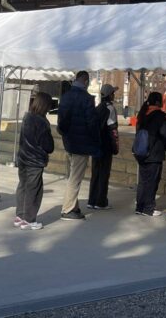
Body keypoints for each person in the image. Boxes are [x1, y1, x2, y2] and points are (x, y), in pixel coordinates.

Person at [57, 70, 99, 221]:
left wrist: (64, 134)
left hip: (68, 142)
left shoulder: (66, 96)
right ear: (86, 82)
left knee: (71, 176)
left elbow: (61, 120)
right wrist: (95, 140)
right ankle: (68, 209)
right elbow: (92, 123)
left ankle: (72, 205)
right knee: (75, 178)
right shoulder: (87, 99)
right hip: (82, 144)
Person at [14, 92, 54, 230]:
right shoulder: (42, 122)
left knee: (23, 186)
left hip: (23, 158)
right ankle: (29, 219)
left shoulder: (27, 117)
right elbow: (48, 145)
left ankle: (20, 216)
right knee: (34, 189)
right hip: (35, 160)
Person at [134, 92, 166, 217]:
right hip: (154, 152)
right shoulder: (159, 116)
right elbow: (165, 133)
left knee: (143, 181)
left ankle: (140, 206)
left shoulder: (142, 114)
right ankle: (148, 208)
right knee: (152, 181)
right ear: (158, 102)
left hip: (141, 152)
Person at [87, 83, 118, 210]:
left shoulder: (98, 107)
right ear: (110, 95)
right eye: (113, 93)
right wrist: (115, 146)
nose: (114, 95)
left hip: (95, 145)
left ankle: (92, 200)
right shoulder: (110, 109)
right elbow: (113, 129)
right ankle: (101, 201)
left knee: (95, 173)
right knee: (104, 173)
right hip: (105, 146)